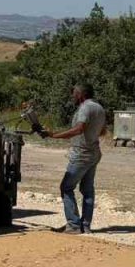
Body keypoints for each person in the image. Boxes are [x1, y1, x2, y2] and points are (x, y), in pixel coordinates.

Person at [41, 84, 107, 234]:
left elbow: (78, 129)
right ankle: (85, 225)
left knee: (66, 187)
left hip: (82, 154)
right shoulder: (99, 108)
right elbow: (102, 131)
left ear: (81, 94)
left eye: (74, 94)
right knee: (88, 190)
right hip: (94, 152)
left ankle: (74, 225)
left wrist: (53, 135)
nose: (73, 96)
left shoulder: (84, 108)